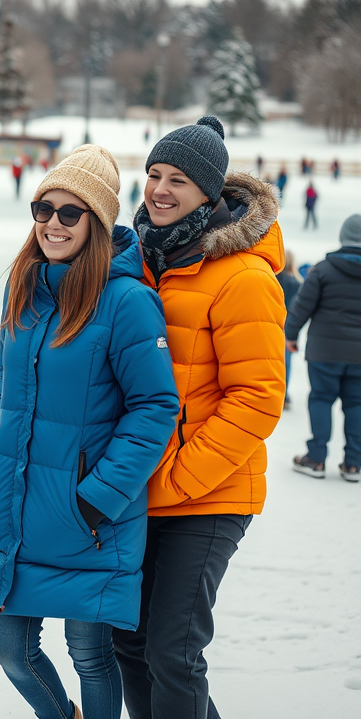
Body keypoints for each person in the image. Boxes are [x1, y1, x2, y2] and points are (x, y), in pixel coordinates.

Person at [0, 145, 179, 719]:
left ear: (99, 222)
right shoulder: (26, 289)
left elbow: (155, 406)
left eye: (70, 213)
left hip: (85, 517)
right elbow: (2, 384)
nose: (53, 224)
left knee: (89, 654)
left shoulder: (127, 301)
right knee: (10, 649)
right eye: (43, 209)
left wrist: (98, 498)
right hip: (14, 505)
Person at [112, 116, 285, 719]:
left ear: (210, 195)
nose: (159, 189)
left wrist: (179, 479)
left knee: (172, 647)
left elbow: (257, 398)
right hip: (145, 489)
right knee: (127, 639)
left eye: (178, 179)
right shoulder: (140, 262)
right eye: (154, 174)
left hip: (209, 493)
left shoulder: (242, 276)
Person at [286, 214, 361, 483]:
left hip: (324, 352)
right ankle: (354, 463)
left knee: (320, 399)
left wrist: (290, 335)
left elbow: (301, 307)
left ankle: (316, 458)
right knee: (356, 404)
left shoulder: (322, 269)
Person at [277, 248, 303, 411]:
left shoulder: (271, 279)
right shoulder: (297, 284)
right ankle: (284, 395)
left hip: (272, 324)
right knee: (286, 363)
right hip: (288, 327)